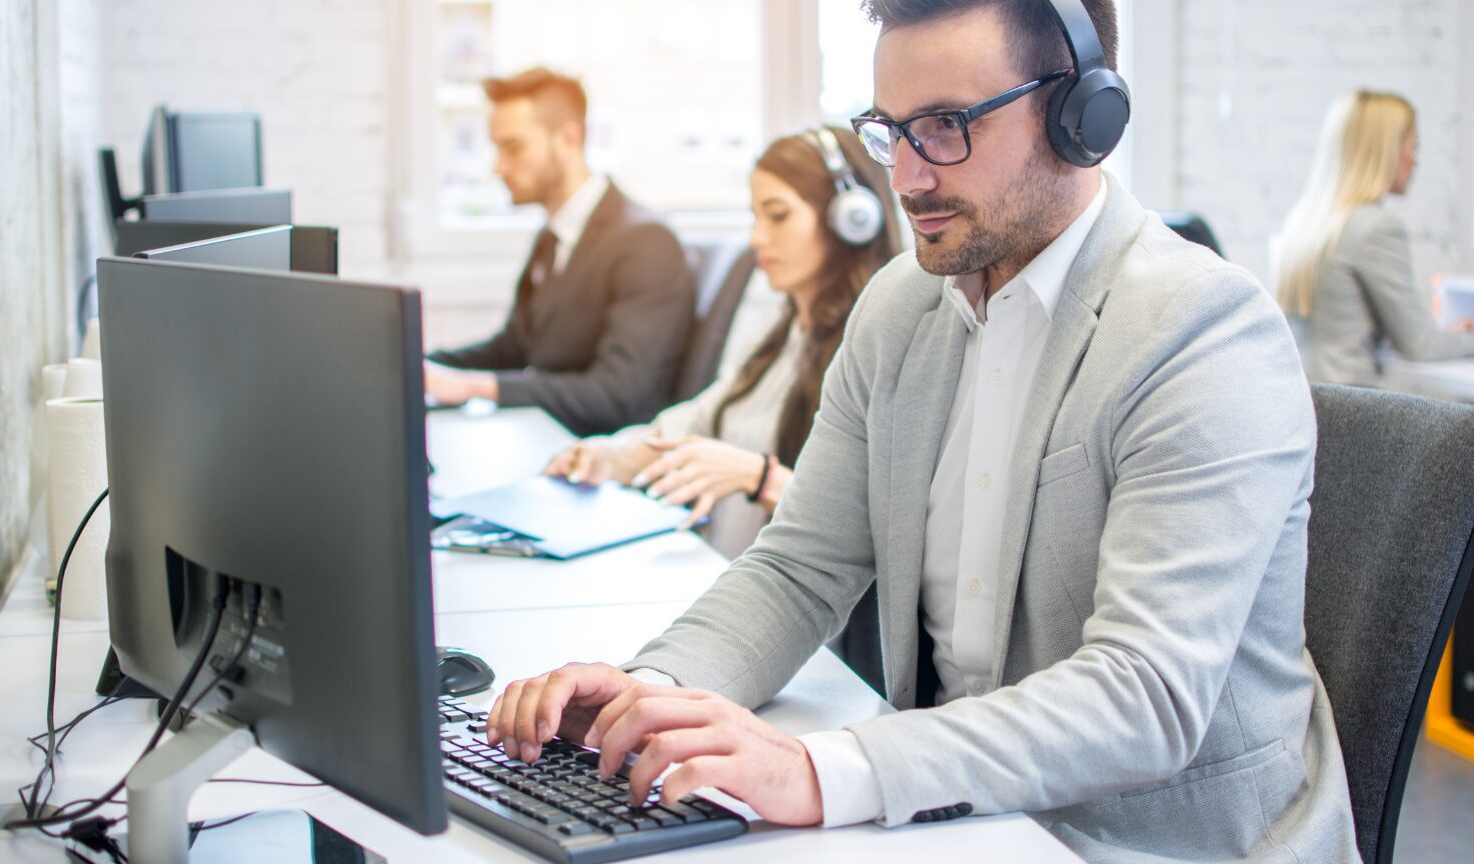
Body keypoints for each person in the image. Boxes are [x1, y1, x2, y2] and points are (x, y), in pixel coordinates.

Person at [487, 2, 1359, 862]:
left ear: (1082, 116)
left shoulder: (1200, 329)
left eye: (945, 127)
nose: (905, 178)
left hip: (1152, 841)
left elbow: (1144, 698)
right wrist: (652, 693)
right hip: (957, 811)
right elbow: (801, 566)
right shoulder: (902, 307)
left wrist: (817, 768)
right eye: (889, 129)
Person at [544, 126, 902, 558]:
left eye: (778, 215)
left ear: (850, 221)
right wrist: (609, 456)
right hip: (722, 579)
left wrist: (759, 478)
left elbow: (872, 531)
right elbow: (695, 424)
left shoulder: (876, 352)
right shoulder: (781, 340)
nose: (757, 239)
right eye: (755, 217)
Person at [424, 68, 696, 436]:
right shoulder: (552, 237)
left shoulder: (646, 242)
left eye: (513, 147)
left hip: (599, 457)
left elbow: (617, 396)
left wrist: (474, 386)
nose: (498, 166)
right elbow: (514, 346)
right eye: (496, 148)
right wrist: (420, 364)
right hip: (546, 437)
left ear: (568, 140)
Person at [1275, 89, 1474, 386]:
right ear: (1385, 150)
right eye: (1413, 147)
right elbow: (1419, 344)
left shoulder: (1304, 224)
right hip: (1356, 412)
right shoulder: (1375, 228)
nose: (1415, 161)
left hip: (1309, 404)